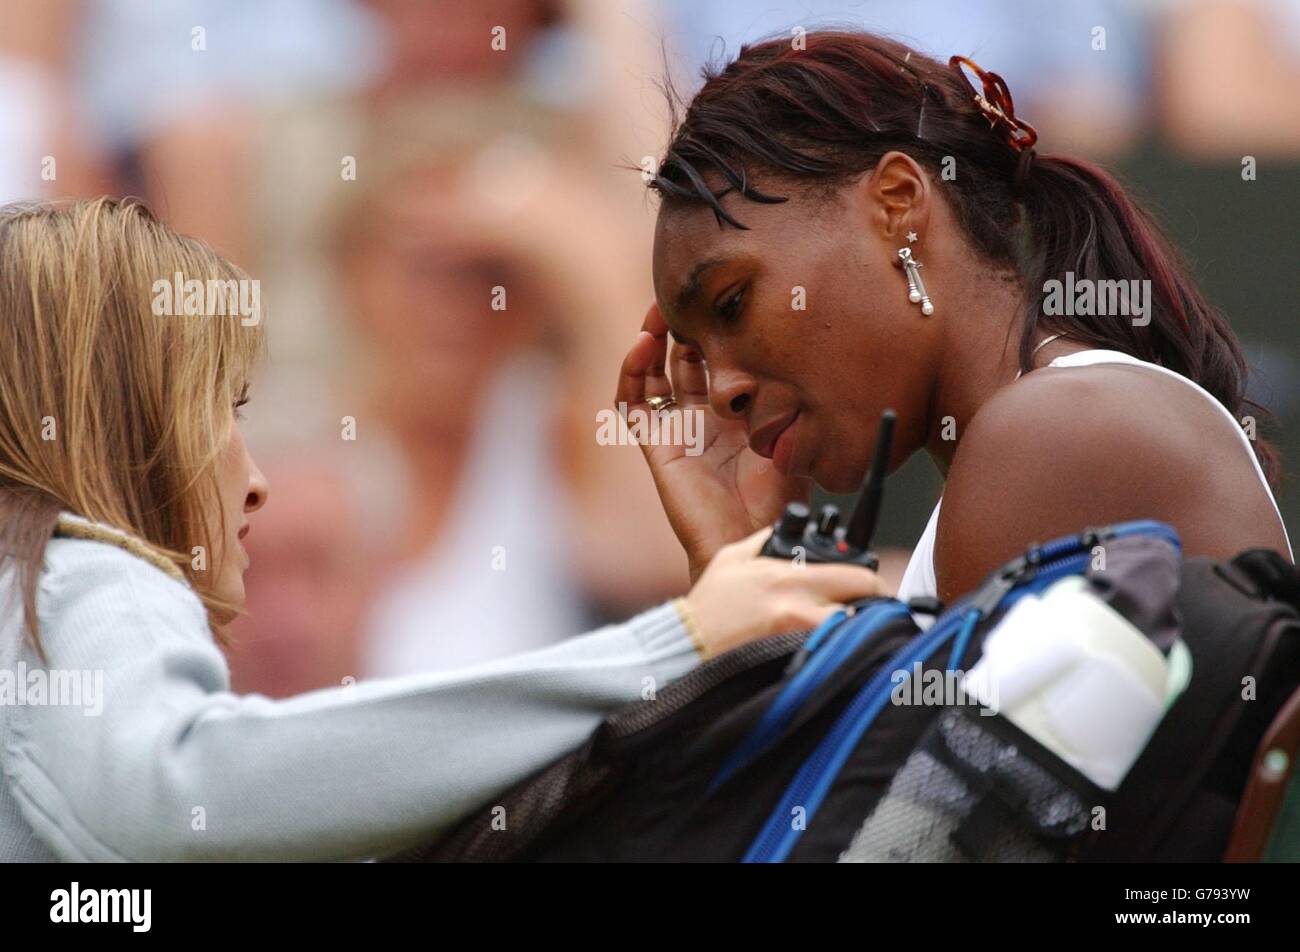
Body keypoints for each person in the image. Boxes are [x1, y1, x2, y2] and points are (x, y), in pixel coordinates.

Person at [0, 198, 884, 861]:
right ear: (114, 419)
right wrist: (675, 646)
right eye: (218, 410)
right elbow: (184, 788)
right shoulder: (74, 568)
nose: (254, 480)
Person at [617, 31, 1291, 622]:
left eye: (734, 303)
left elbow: (912, 773)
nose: (724, 388)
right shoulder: (1035, 434)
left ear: (898, 205)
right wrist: (742, 564)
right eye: (699, 357)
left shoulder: (1050, 434)